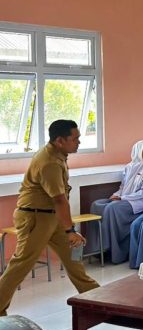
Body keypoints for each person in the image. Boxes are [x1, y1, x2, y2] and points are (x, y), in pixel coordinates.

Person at [0, 120, 99, 316]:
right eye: (75, 138)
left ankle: (96, 298)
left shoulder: (59, 154)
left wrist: (69, 231)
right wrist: (70, 230)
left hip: (52, 217)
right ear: (60, 140)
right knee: (22, 264)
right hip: (35, 218)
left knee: (74, 257)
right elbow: (60, 200)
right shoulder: (50, 163)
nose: (79, 142)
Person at [90, 140, 143, 264]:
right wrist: (116, 195)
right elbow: (123, 186)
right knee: (97, 205)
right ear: (138, 151)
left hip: (142, 200)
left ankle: (115, 252)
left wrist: (122, 198)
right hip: (126, 197)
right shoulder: (130, 166)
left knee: (113, 208)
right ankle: (98, 249)